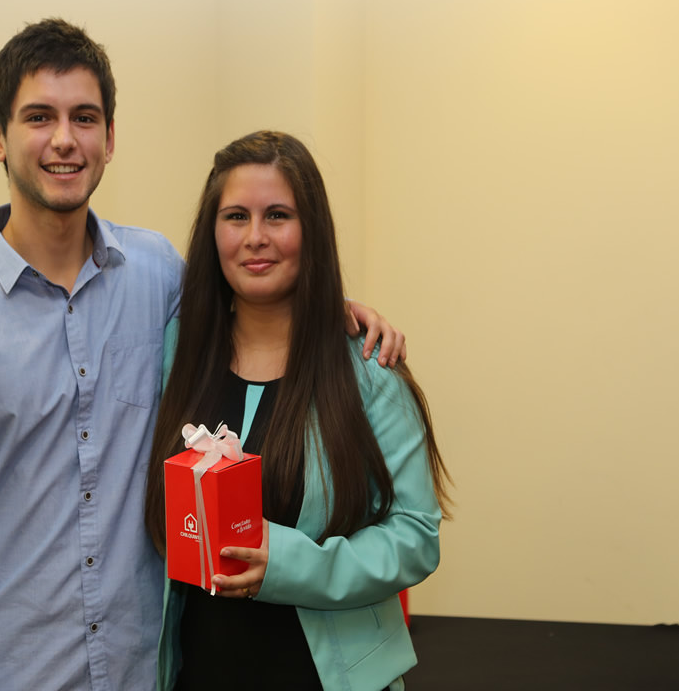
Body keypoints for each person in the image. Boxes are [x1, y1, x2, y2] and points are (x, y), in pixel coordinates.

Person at [0, 20, 405, 691]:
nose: (64, 139)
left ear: (109, 139)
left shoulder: (157, 275)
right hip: (11, 674)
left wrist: (335, 313)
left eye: (84, 117)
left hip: (145, 671)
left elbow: (251, 306)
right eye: (38, 117)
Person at [144, 131, 452, 691]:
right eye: (236, 216)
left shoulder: (368, 372)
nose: (255, 237)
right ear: (212, 231)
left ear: (312, 230)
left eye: (278, 216)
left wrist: (288, 564)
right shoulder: (174, 352)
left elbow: (415, 537)